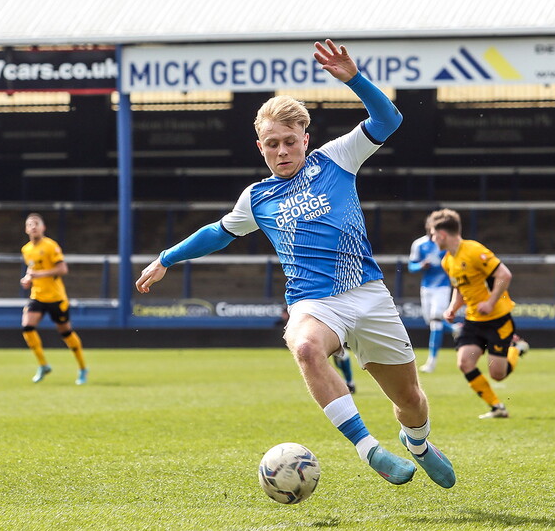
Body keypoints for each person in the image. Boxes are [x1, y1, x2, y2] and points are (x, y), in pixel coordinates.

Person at [135, 40, 454, 489]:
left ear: (305, 139)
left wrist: (354, 80)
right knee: (304, 347)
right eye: (272, 144)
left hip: (368, 293)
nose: (282, 150)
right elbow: (218, 231)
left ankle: (417, 444)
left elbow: (389, 120)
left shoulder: (335, 158)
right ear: (260, 147)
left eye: (290, 142)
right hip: (313, 302)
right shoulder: (256, 197)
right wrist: (166, 258)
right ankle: (370, 450)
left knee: (411, 401)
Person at [427, 208, 527, 419]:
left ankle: (516, 349)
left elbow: (504, 275)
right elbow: (460, 288)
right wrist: (453, 308)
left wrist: (491, 302)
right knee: (464, 363)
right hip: (473, 321)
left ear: (442, 234)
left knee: (497, 374)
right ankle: (497, 407)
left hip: (498, 320)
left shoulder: (473, 250)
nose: (432, 239)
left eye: (433, 234)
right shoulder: (447, 261)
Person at [20, 213, 88, 385]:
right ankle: (43, 365)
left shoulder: (51, 246)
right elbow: (32, 270)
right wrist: (28, 280)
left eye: (36, 224)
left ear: (43, 227)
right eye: (30, 224)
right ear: (26, 229)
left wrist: (38, 274)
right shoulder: (26, 250)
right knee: (27, 327)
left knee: (66, 333)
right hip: (37, 296)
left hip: (56, 298)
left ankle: (82, 368)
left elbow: (63, 269)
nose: (33, 227)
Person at [408, 216, 462, 373]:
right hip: (426, 287)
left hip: (443, 286)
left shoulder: (446, 242)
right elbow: (411, 266)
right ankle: (455, 329)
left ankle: (431, 362)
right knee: (431, 320)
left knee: (436, 320)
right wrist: (421, 265)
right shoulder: (419, 244)